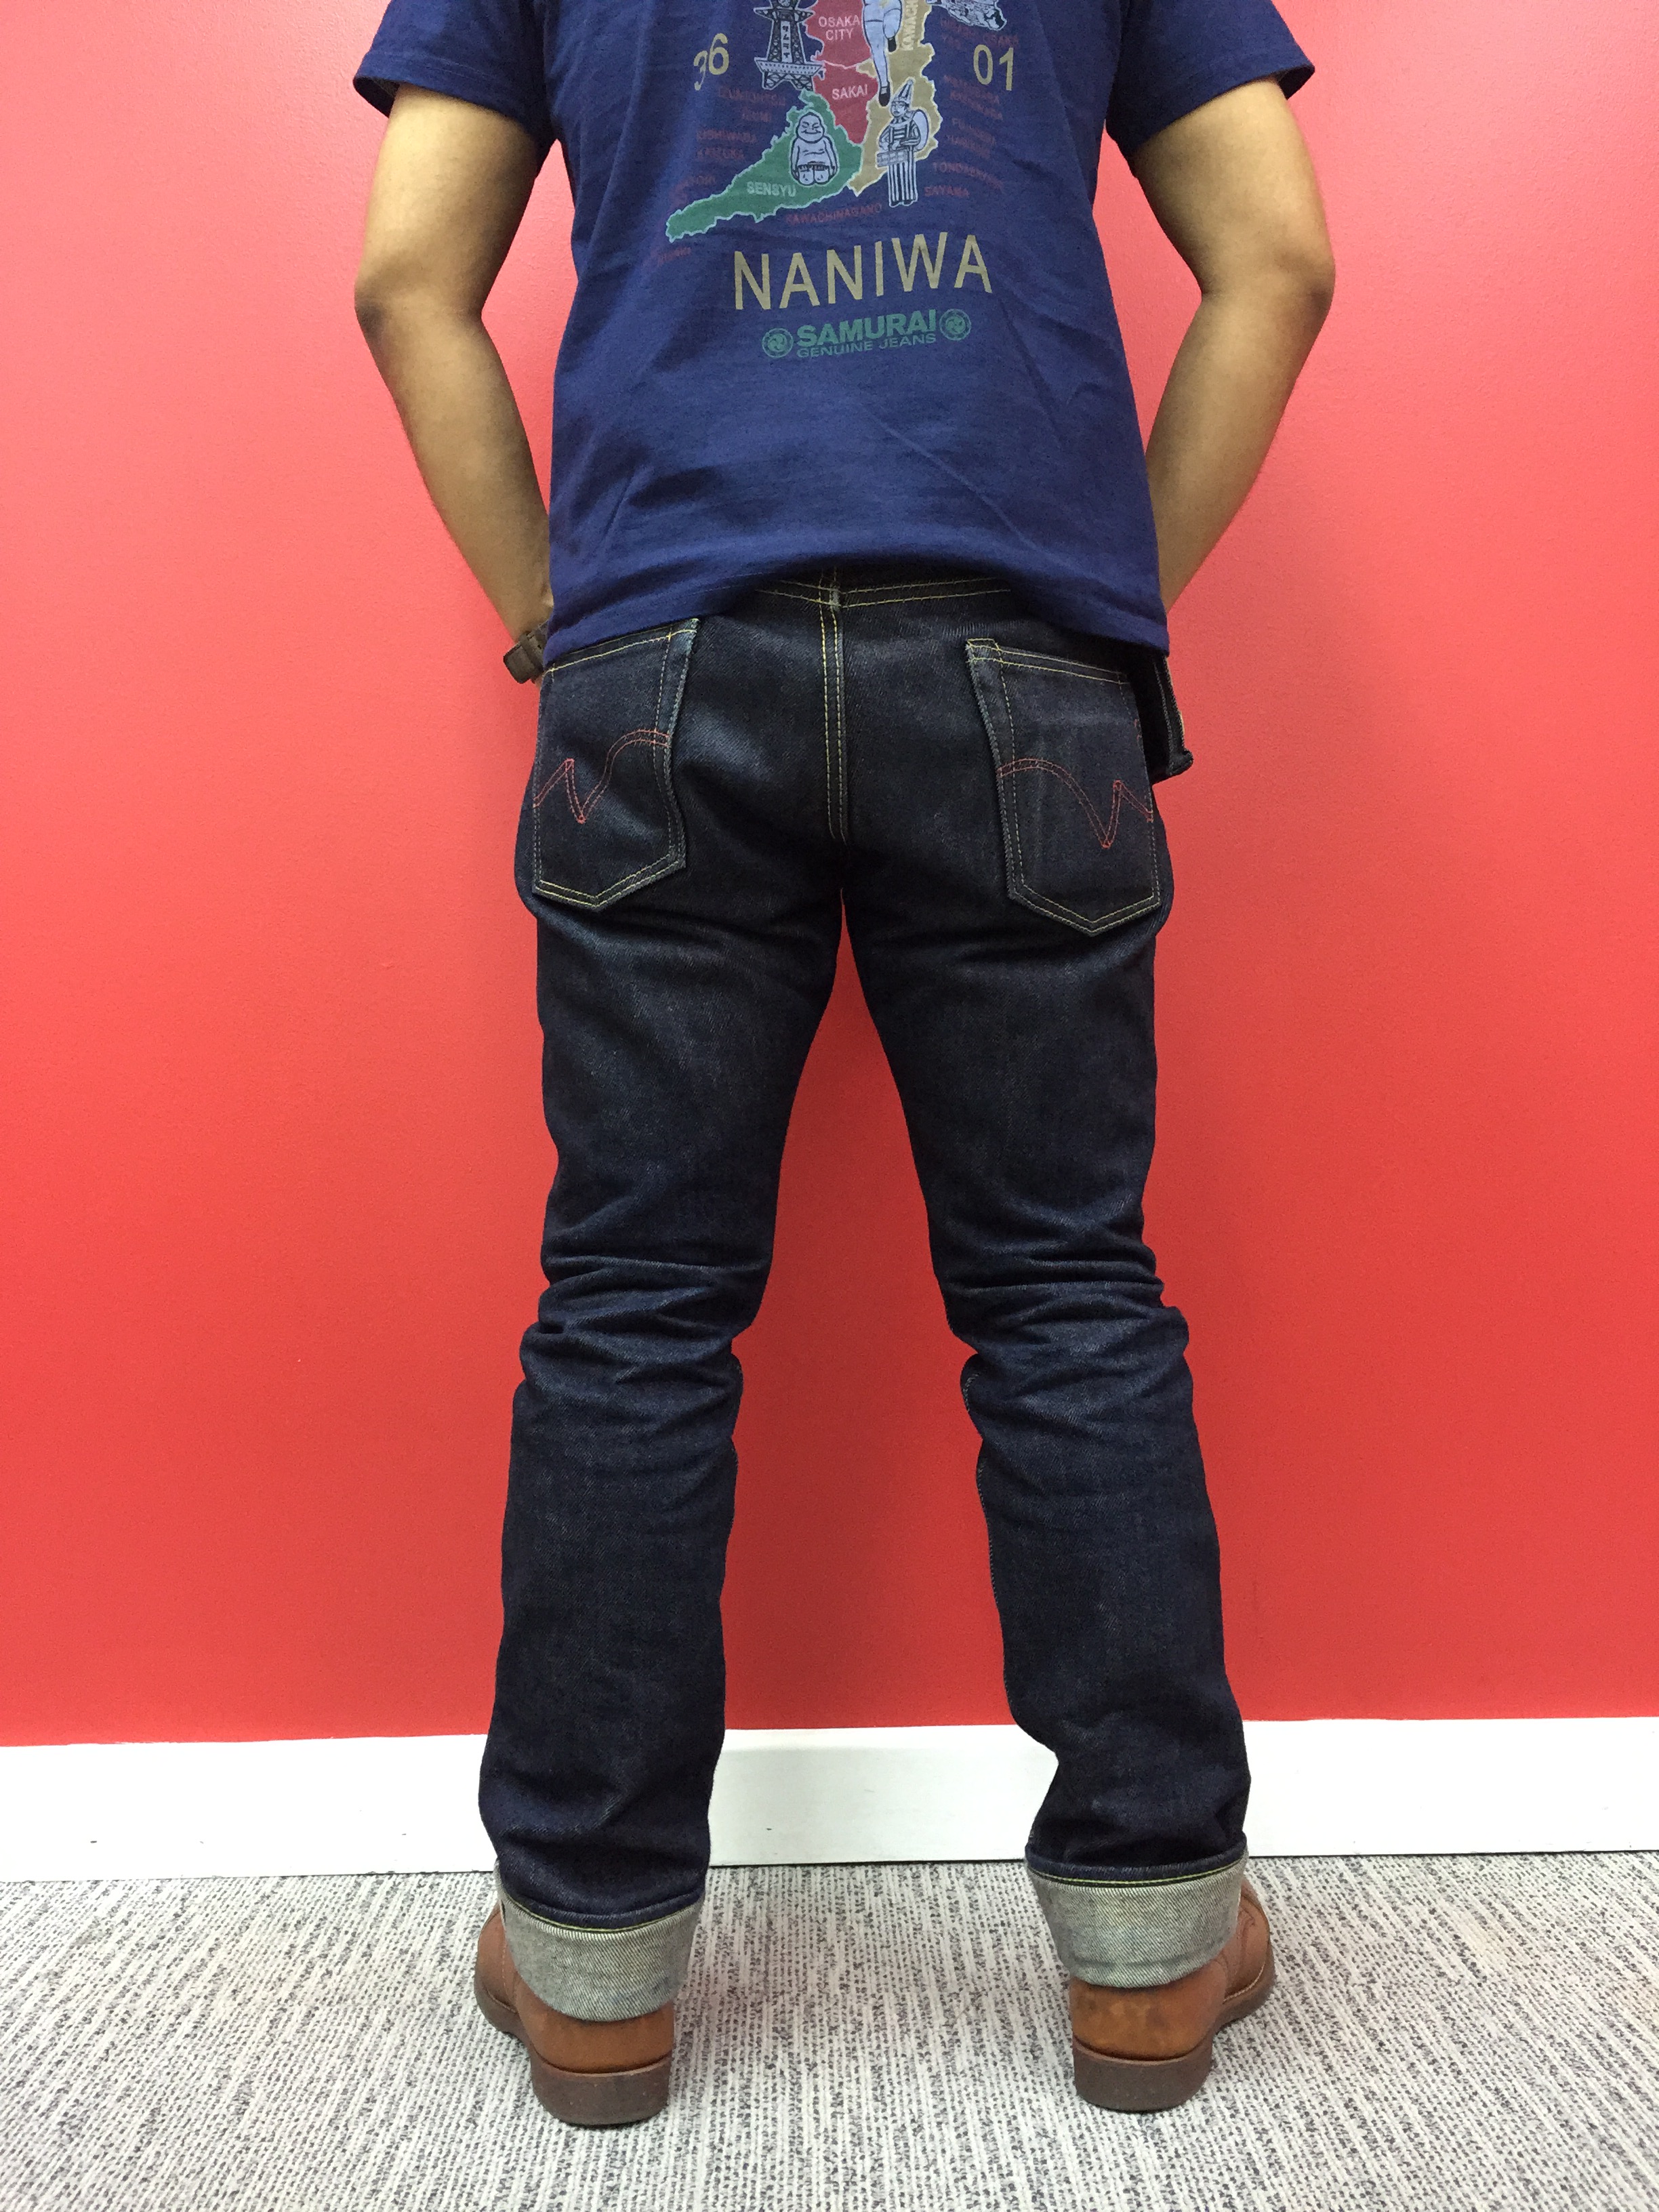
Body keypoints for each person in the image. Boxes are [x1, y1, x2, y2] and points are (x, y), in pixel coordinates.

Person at [352, 0, 1332, 2129]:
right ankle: (1153, 1935)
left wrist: (556, 610)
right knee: (1065, 1294)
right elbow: (1281, 258)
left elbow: (406, 279)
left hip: (660, 651)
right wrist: (1100, 604)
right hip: (1015, 650)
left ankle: (594, 1956)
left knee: (631, 1311)